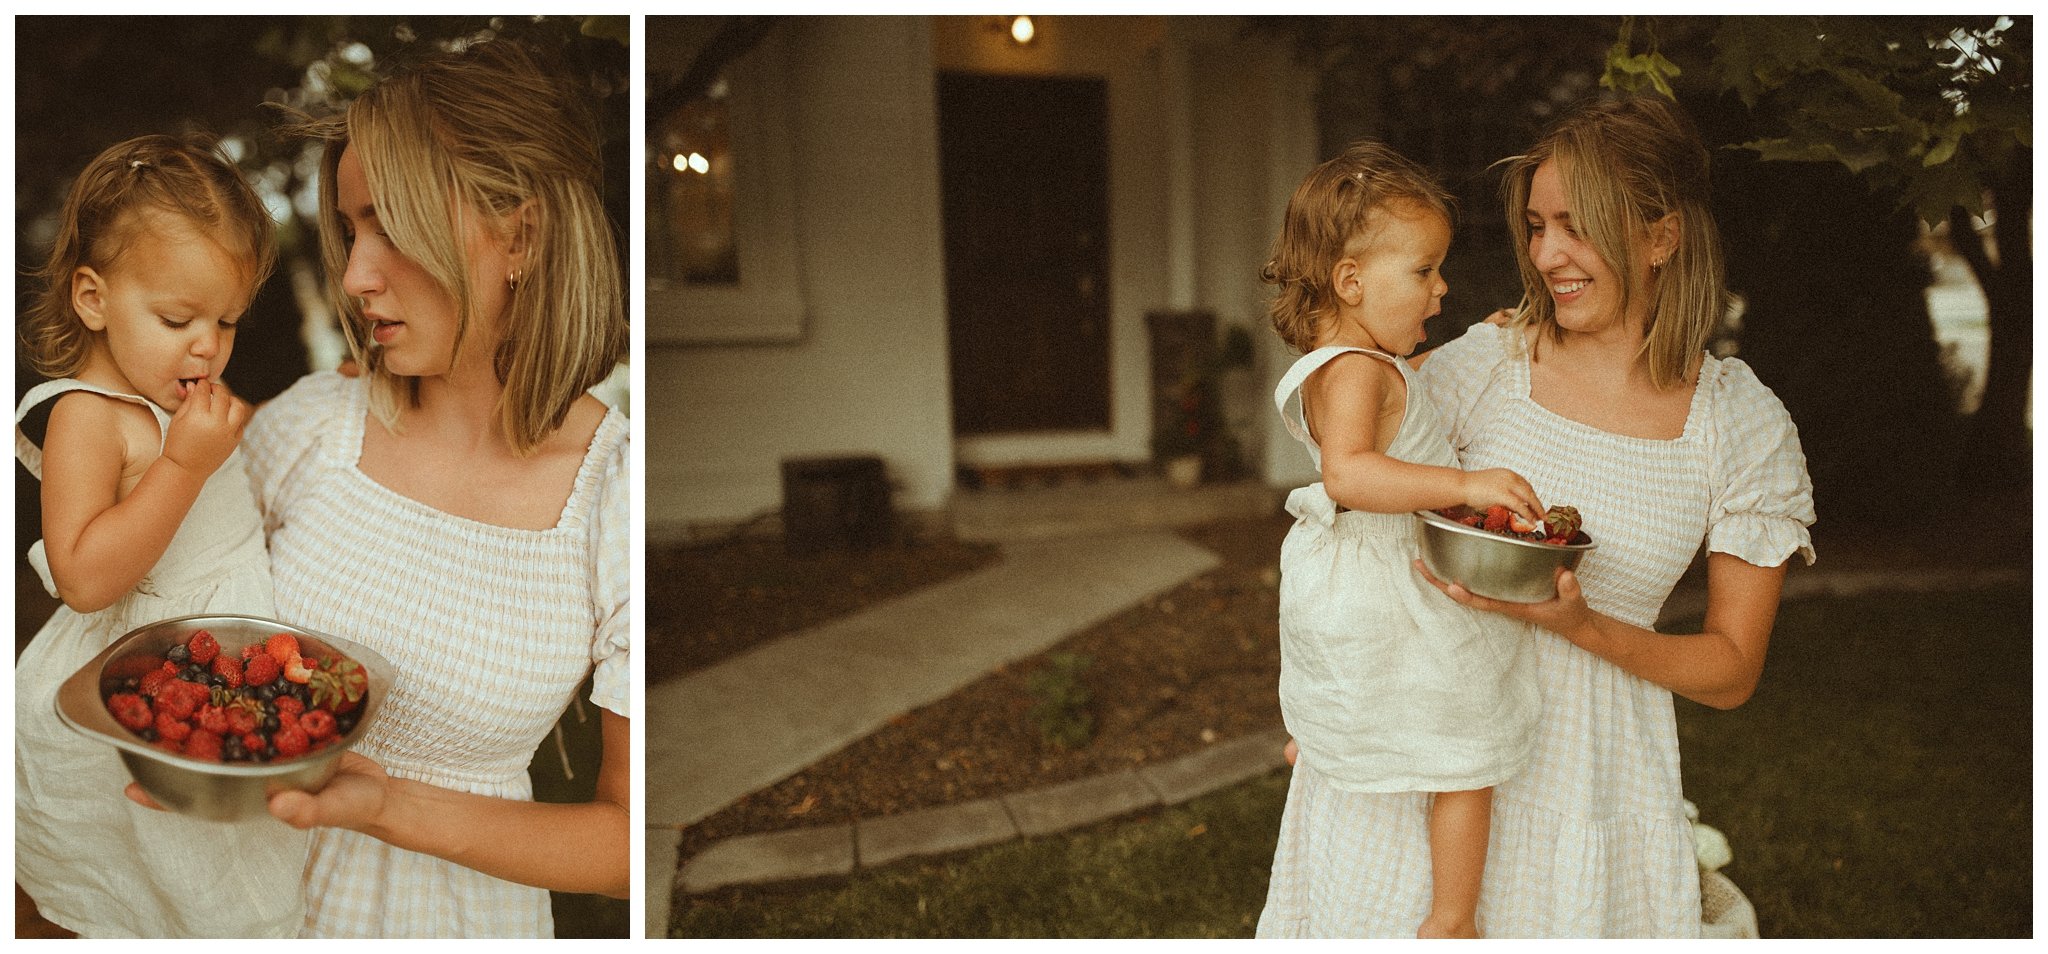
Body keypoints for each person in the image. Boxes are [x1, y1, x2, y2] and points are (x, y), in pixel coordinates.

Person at [1268, 96, 1816, 937]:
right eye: (1536, 226)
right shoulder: (1481, 365)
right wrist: (1328, 708)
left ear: (1661, 236)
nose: (1547, 254)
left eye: (1576, 226)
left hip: (1590, 782)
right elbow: (1355, 519)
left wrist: (1584, 626)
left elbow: (1732, 670)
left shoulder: (1738, 423)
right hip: (1423, 760)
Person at [123, 39, 631, 937]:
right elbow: (153, 613)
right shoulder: (312, 425)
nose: (357, 275)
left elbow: (626, 845)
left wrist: (386, 806)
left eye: (390, 224)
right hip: (232, 906)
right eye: (352, 231)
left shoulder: (615, 494)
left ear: (523, 233)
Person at [1254, 141, 1551, 939]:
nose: (1442, 286)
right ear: (1352, 282)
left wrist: (1482, 338)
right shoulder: (1355, 372)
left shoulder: (1350, 363)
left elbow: (1412, 392)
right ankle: (1451, 921)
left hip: (1349, 585)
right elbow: (1351, 474)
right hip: (1392, 580)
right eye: (1423, 271)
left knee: (1368, 691)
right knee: (1467, 747)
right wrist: (1468, 484)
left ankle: (1332, 740)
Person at [15, 133, 309, 937]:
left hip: (223, 673)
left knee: (233, 872)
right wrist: (181, 467)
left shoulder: (178, 403)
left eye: (227, 321)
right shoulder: (88, 416)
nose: (208, 343)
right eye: (178, 317)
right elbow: (81, 577)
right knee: (155, 881)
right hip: (138, 693)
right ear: (92, 298)